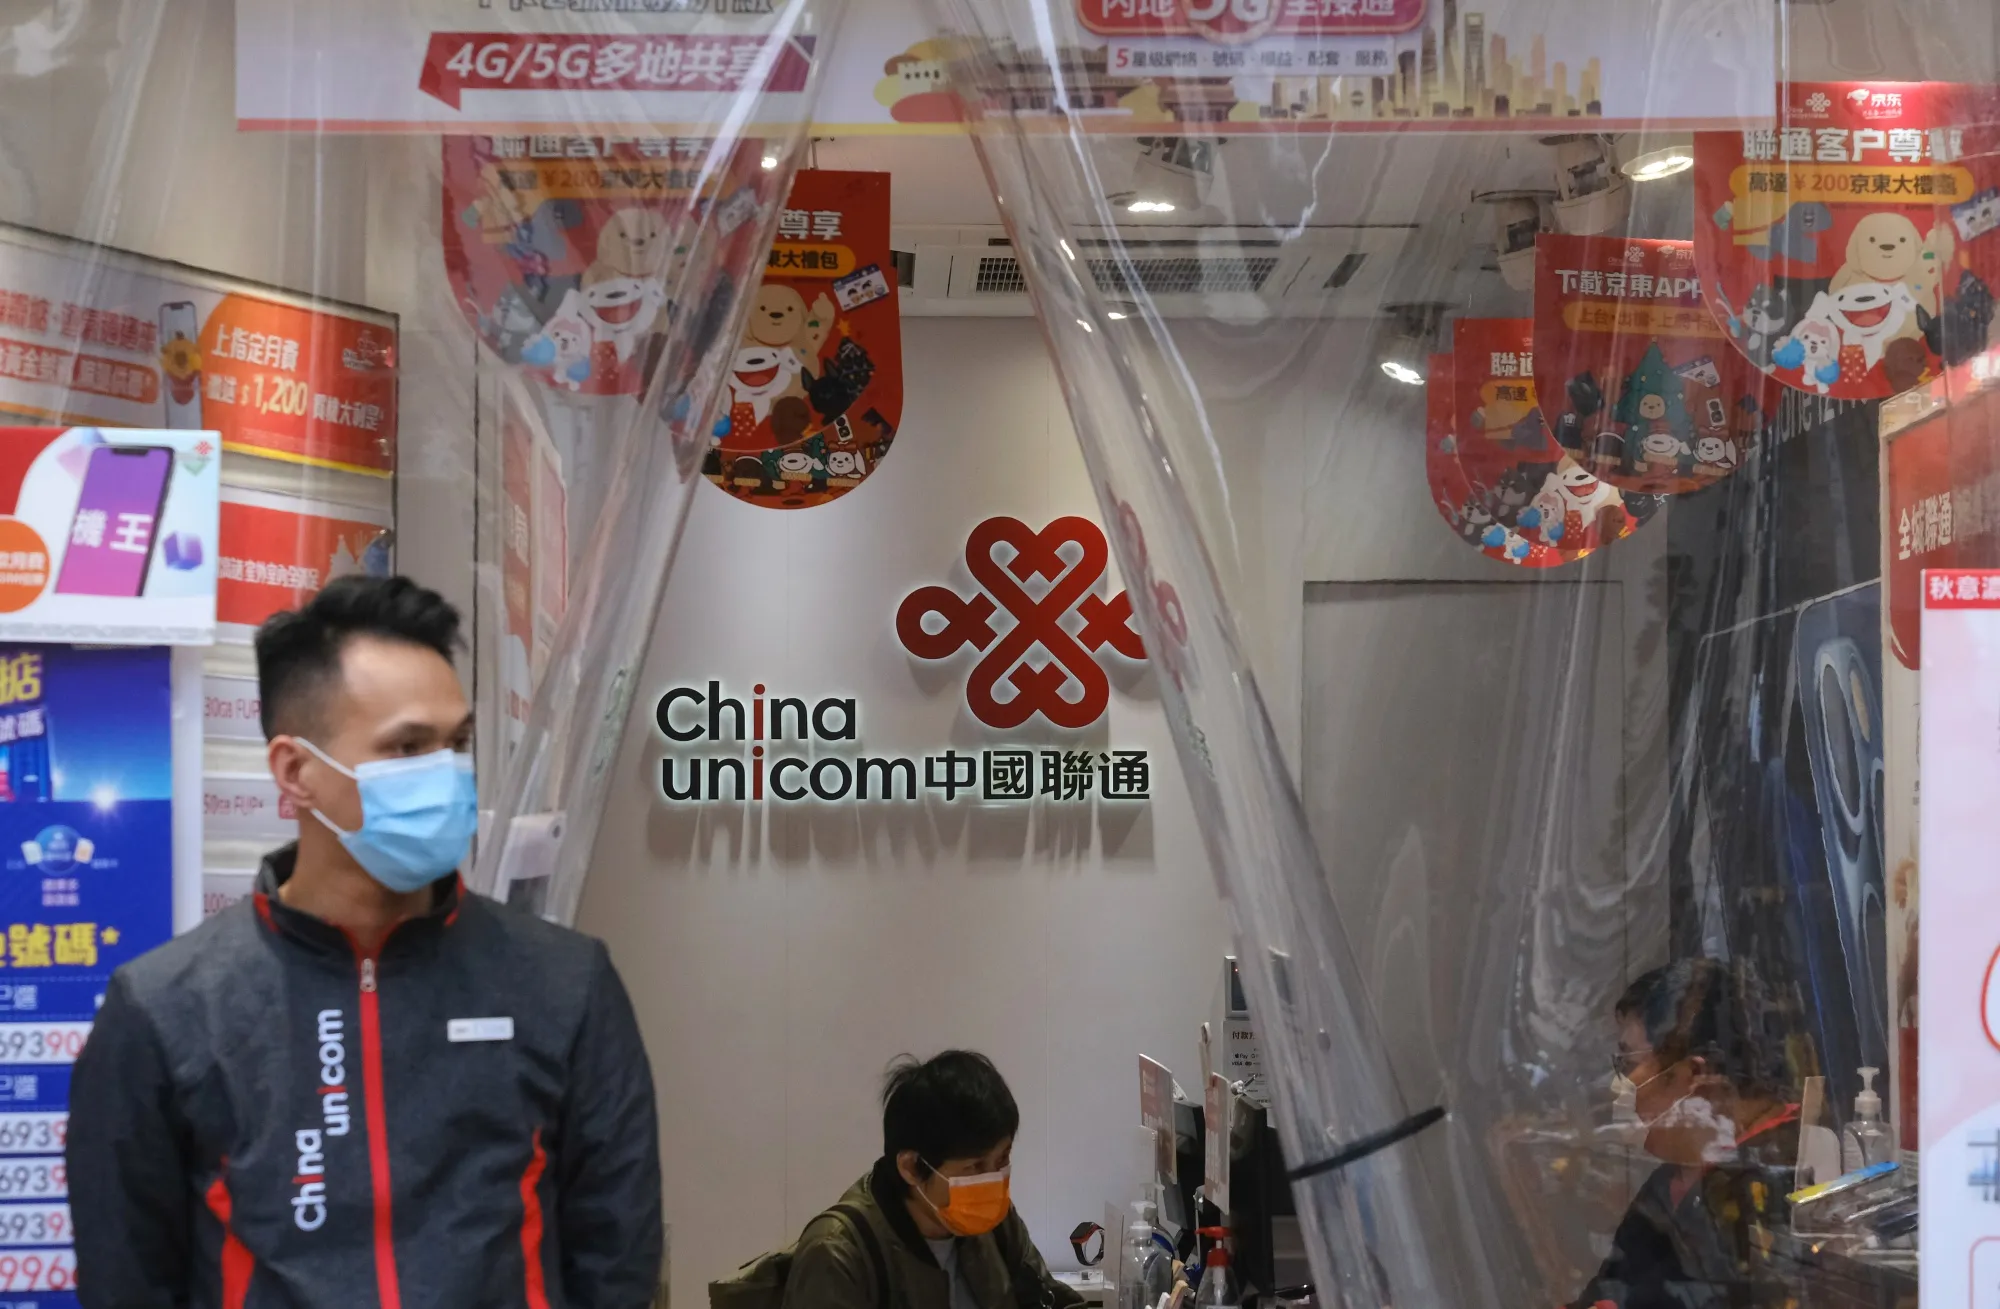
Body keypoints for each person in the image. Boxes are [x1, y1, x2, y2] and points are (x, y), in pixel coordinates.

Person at [67, 575, 663, 1308]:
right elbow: (127, 1277)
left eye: (458, 742)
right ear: (296, 770)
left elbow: (618, 1258)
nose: (447, 773)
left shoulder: (564, 985)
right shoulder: (167, 1009)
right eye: (408, 746)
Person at [1573, 958, 1802, 1309]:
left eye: (1628, 1065)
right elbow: (1608, 1291)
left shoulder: (1779, 1181)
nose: (1617, 1086)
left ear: (1693, 1074)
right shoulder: (1670, 1182)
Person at [783, 1051, 1087, 1309]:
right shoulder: (838, 1253)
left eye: (1003, 1158)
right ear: (912, 1167)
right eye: (975, 1166)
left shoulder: (994, 1223)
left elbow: (1052, 1301)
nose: (993, 1180)